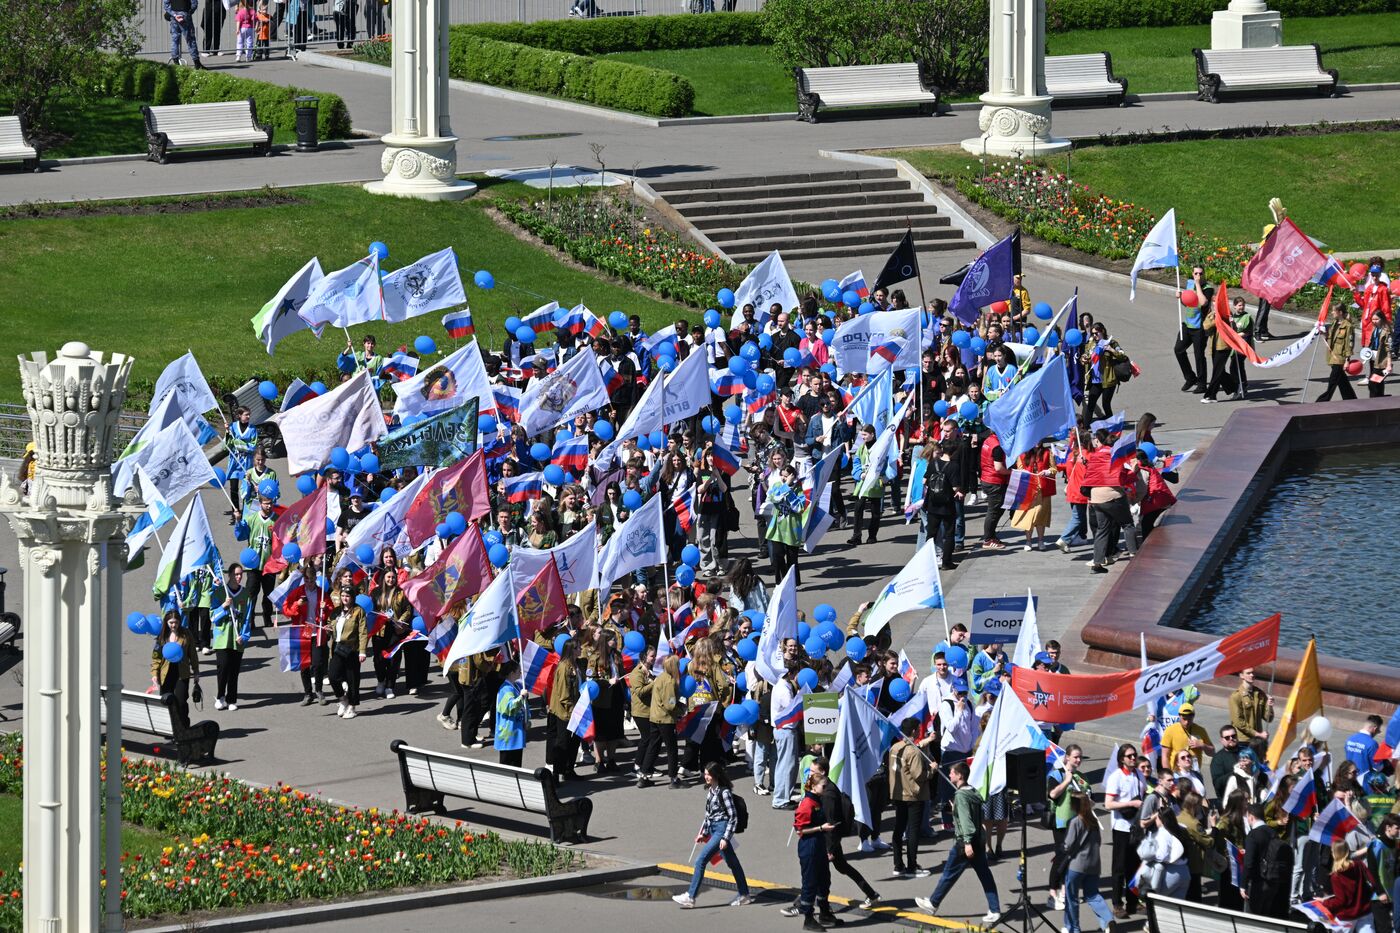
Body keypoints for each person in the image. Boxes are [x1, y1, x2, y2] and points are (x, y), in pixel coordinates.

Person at [914, 760, 1002, 923]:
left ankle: (933, 903)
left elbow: (966, 821)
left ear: (960, 776)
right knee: (985, 875)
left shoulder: (961, 795)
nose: (949, 775)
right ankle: (995, 909)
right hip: (978, 839)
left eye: (952, 773)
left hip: (965, 842)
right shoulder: (972, 792)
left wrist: (967, 843)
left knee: (949, 873)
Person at [673, 762, 754, 910]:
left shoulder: (724, 793)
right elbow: (708, 815)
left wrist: (725, 837)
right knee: (733, 863)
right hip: (714, 830)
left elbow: (732, 817)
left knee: (700, 861)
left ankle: (690, 897)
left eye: (708, 774)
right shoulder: (711, 791)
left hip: (721, 831)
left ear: (716, 775)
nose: (706, 777)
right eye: (705, 774)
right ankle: (744, 895)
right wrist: (703, 833)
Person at [811, 756, 881, 912]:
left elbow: (830, 823)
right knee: (843, 867)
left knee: (813, 872)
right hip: (832, 840)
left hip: (829, 840)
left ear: (822, 772)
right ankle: (871, 894)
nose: (810, 774)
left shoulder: (828, 793)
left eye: (812, 771)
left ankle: (800, 905)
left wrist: (830, 849)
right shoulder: (825, 787)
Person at [888, 718, 937, 879]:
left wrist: (926, 741)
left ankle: (898, 864)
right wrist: (931, 770)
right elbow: (920, 776)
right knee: (913, 830)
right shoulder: (913, 752)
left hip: (898, 793)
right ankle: (911, 866)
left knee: (899, 828)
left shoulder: (895, 748)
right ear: (914, 731)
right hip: (913, 795)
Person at [1062, 792, 1115, 933]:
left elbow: (1068, 845)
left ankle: (1073, 928)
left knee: (1071, 898)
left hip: (1077, 865)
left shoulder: (1075, 822)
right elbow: (1099, 842)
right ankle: (1108, 919)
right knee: (1092, 895)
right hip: (1094, 864)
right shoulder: (1093, 821)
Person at [1047, 745, 1092, 910]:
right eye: (1075, 757)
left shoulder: (1081, 777)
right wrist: (1067, 780)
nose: (1078, 760)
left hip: (1078, 824)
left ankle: (1065, 893)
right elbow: (1052, 794)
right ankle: (1052, 894)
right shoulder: (1056, 775)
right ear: (1066, 757)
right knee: (1061, 858)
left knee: (1072, 859)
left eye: (1080, 757)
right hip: (1061, 823)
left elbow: (1088, 797)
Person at [1105, 743, 1146, 918]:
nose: (1133, 758)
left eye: (1134, 755)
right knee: (1119, 867)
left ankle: (1132, 902)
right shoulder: (1116, 777)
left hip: (1136, 827)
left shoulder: (1139, 775)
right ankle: (1117, 903)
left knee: (1134, 866)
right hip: (1121, 827)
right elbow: (1108, 804)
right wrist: (1130, 803)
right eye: (1129, 756)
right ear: (1122, 759)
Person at [212, 562, 253, 711]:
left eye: (241, 574)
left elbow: (248, 617)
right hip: (222, 637)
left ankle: (231, 699)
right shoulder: (220, 592)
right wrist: (223, 606)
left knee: (234, 670)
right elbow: (212, 616)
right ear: (229, 575)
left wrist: (244, 636)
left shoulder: (246, 593)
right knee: (223, 667)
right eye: (236, 574)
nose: (239, 577)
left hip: (237, 638)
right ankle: (220, 696)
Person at [151, 610, 200, 733]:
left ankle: (184, 728)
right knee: (166, 702)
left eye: (176, 622)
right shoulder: (162, 636)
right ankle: (169, 729)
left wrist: (196, 671)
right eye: (171, 622)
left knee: (181, 702)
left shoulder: (186, 634)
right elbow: (156, 657)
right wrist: (154, 674)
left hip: (181, 673)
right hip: (165, 674)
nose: (173, 625)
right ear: (166, 622)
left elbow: (192, 654)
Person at [1243, 802, 1292, 919]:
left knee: (1251, 919)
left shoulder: (1253, 835)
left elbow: (1248, 863)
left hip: (1257, 884)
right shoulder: (1272, 832)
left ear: (1251, 816)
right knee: (1266, 918)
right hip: (1272, 882)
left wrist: (1242, 885)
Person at [641, 654, 681, 788]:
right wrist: (680, 710)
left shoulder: (659, 678)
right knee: (672, 749)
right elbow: (670, 704)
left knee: (653, 746)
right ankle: (673, 778)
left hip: (654, 717)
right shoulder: (669, 681)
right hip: (666, 719)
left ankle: (644, 775)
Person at [1139, 807, 1191, 898]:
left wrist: (1150, 855)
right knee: (1176, 909)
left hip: (1171, 874)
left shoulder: (1163, 833)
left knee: (1155, 901)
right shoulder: (1181, 828)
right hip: (1185, 872)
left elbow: (1162, 856)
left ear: (1160, 819)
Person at [1331, 838, 1380, 933]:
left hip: (1346, 915)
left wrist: (1325, 903)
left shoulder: (1336, 876)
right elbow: (1373, 883)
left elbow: (1341, 901)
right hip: (1364, 910)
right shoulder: (1360, 865)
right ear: (1348, 850)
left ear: (1334, 853)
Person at [1175, 268, 1209, 393]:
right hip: (1187, 325)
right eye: (1196, 273)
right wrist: (1180, 297)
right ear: (1192, 274)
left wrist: (1198, 285)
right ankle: (1190, 378)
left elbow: (1203, 302)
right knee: (1178, 350)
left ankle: (1202, 384)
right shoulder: (1189, 284)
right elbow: (1189, 302)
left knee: (1199, 356)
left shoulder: (1207, 288)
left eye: (1200, 273)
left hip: (1200, 327)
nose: (1198, 275)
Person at [1229, 668, 1274, 758]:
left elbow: (1268, 718)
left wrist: (1270, 706)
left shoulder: (1260, 694)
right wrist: (1258, 734)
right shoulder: (1236, 696)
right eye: (1248, 673)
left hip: (1257, 741)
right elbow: (1239, 723)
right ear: (1241, 676)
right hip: (1244, 740)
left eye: (1253, 673)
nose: (1252, 675)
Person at [1318, 300, 1358, 401]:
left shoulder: (1348, 326)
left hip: (1340, 358)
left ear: (1340, 312)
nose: (1332, 313)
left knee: (1332, 381)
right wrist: (1323, 334)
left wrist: (1347, 361)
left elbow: (1350, 344)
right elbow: (1330, 338)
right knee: (1342, 381)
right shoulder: (1334, 323)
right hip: (1332, 355)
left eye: (1333, 311)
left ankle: (1322, 400)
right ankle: (1351, 398)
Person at [1159, 701, 1214, 771]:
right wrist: (1168, 774)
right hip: (1177, 773)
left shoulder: (1201, 730)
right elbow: (1165, 756)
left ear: (1193, 716)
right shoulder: (1170, 730)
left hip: (1195, 773)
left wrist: (1202, 745)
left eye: (1189, 719)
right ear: (1179, 716)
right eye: (1184, 719)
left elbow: (1212, 752)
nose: (1187, 722)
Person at [493, 659, 528, 767]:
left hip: (516, 729)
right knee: (508, 763)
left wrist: (527, 718)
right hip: (508, 732)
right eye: (518, 671)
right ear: (512, 673)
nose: (520, 673)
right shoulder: (505, 689)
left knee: (516, 762)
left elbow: (523, 706)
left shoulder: (515, 686)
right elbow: (509, 708)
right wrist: (521, 697)